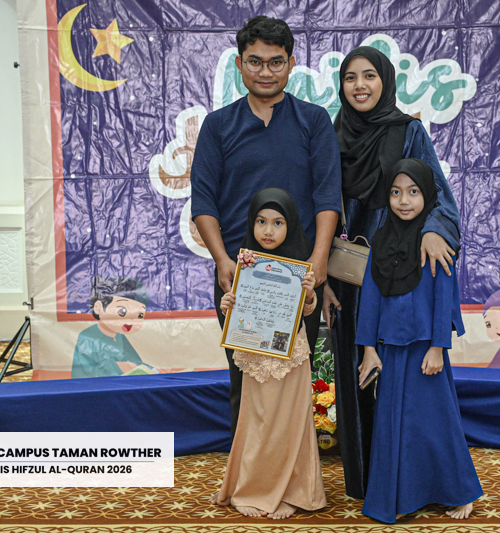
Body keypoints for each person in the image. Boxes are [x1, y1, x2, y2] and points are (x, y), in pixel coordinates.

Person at [189, 16, 341, 439]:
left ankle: (291, 469)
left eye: (276, 62)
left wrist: (318, 260)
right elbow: (203, 202)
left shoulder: (313, 121)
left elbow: (329, 196)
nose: (265, 72)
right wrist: (222, 261)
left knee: (293, 379)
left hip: (298, 276)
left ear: (290, 64)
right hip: (241, 271)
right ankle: (249, 469)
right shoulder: (218, 125)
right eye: (255, 62)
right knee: (247, 378)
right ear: (240, 64)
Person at [322, 46, 462, 497]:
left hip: (399, 278)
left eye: (369, 75)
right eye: (350, 78)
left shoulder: (408, 131)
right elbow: (320, 205)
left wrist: (435, 231)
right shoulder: (332, 134)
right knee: (358, 376)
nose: (359, 85)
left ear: (385, 80)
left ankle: (416, 482)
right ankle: (370, 482)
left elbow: (438, 193)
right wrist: (322, 278)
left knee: (409, 384)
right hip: (349, 278)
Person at [356, 159, 482, 523]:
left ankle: (461, 492)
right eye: (396, 192)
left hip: (426, 352)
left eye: (413, 192)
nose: (403, 201)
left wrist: (438, 347)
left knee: (437, 424)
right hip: (390, 350)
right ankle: (399, 497)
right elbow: (370, 300)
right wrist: (368, 350)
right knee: (394, 427)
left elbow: (445, 297)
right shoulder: (381, 241)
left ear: (427, 194)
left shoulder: (437, 243)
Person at [213, 188, 326, 519]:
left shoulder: (300, 268)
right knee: (256, 423)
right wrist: (228, 304)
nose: (268, 230)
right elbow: (240, 311)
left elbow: (308, 311)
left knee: (290, 425)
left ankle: (293, 493)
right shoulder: (246, 265)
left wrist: (309, 295)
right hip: (255, 357)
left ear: (290, 225)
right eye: (261, 221)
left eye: (278, 223)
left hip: (290, 358)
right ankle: (251, 488)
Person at [71, 277, 150, 378]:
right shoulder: (87, 337)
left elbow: (134, 361)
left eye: (139, 315)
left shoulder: (119, 336)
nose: (130, 320)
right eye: (122, 312)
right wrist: (117, 366)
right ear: (98, 307)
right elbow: (87, 371)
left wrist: (149, 369)